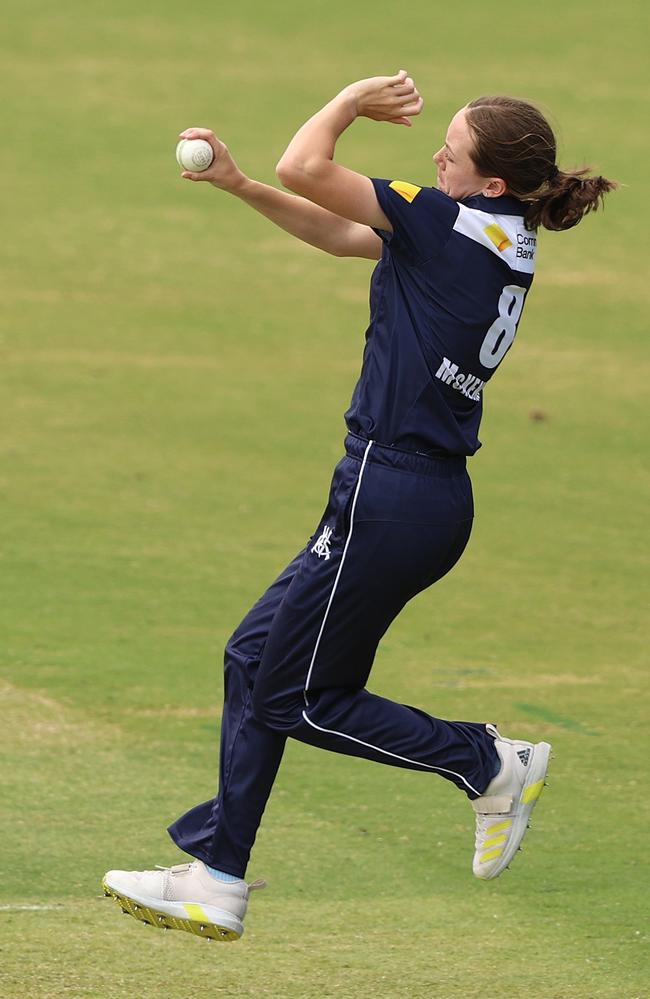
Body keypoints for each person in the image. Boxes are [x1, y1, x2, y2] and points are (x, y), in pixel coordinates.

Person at [103, 71, 616, 941]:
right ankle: (217, 875)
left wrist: (345, 102)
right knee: (254, 658)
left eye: (447, 152)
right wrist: (237, 185)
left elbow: (309, 166)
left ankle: (486, 762)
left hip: (392, 494)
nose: (433, 157)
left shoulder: (448, 220)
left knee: (298, 697)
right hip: (408, 495)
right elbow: (342, 232)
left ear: (489, 180)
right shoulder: (494, 233)